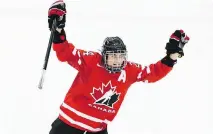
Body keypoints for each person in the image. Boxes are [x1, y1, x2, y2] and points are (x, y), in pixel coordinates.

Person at [47, 1, 190, 134]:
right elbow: (66, 53)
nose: (117, 60)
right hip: (68, 126)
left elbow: (152, 73)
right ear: (104, 56)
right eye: (113, 56)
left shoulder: (129, 70)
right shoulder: (92, 61)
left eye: (120, 56)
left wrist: (171, 57)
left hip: (96, 130)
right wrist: (58, 30)